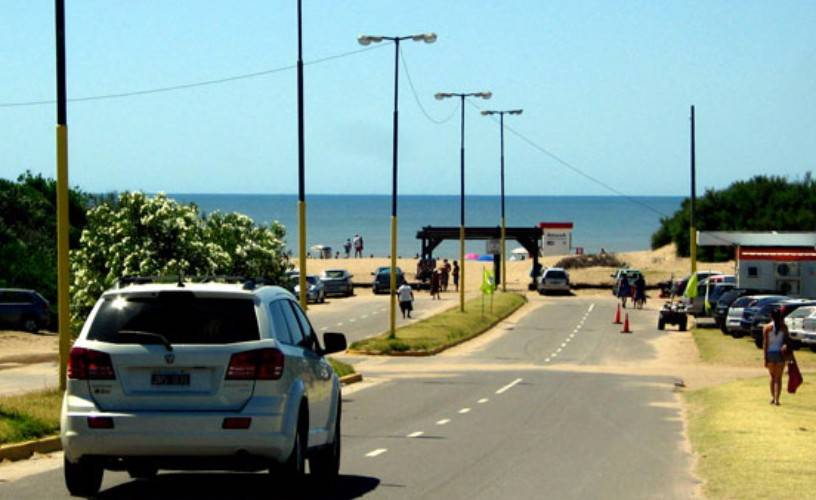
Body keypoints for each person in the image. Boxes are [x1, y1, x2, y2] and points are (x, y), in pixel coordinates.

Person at [763, 308, 793, 406]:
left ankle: (773, 397)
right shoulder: (784, 327)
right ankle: (777, 399)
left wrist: (765, 358)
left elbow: (765, 344)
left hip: (770, 354)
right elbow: (787, 342)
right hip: (780, 354)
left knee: (772, 377)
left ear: (771, 316)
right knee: (778, 378)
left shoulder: (767, 327)